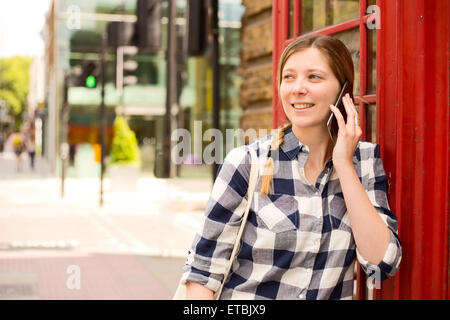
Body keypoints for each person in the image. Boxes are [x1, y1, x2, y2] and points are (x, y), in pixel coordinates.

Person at [181, 33, 402, 300]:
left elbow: (382, 263)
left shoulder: (364, 162)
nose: (297, 88)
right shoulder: (248, 162)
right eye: (289, 77)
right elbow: (203, 274)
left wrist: (343, 165)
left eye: (314, 77)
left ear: (344, 90)